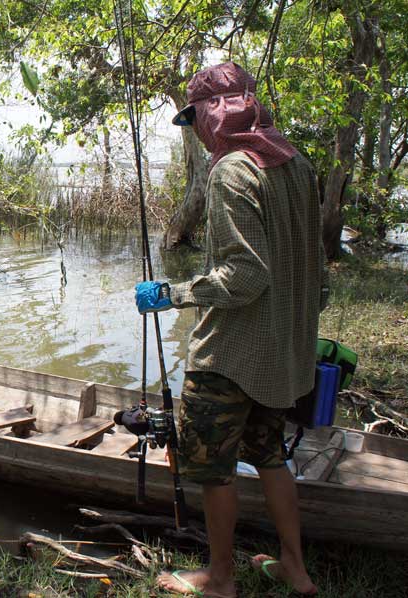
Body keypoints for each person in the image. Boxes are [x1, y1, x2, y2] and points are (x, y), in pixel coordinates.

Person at [134, 62, 325, 597]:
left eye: (193, 117)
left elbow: (245, 276)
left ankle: (220, 580)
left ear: (213, 114)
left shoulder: (232, 170)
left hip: (230, 356)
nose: (194, 129)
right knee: (269, 454)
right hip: (284, 354)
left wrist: (172, 295)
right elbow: (315, 268)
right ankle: (294, 566)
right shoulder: (296, 165)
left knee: (213, 469)